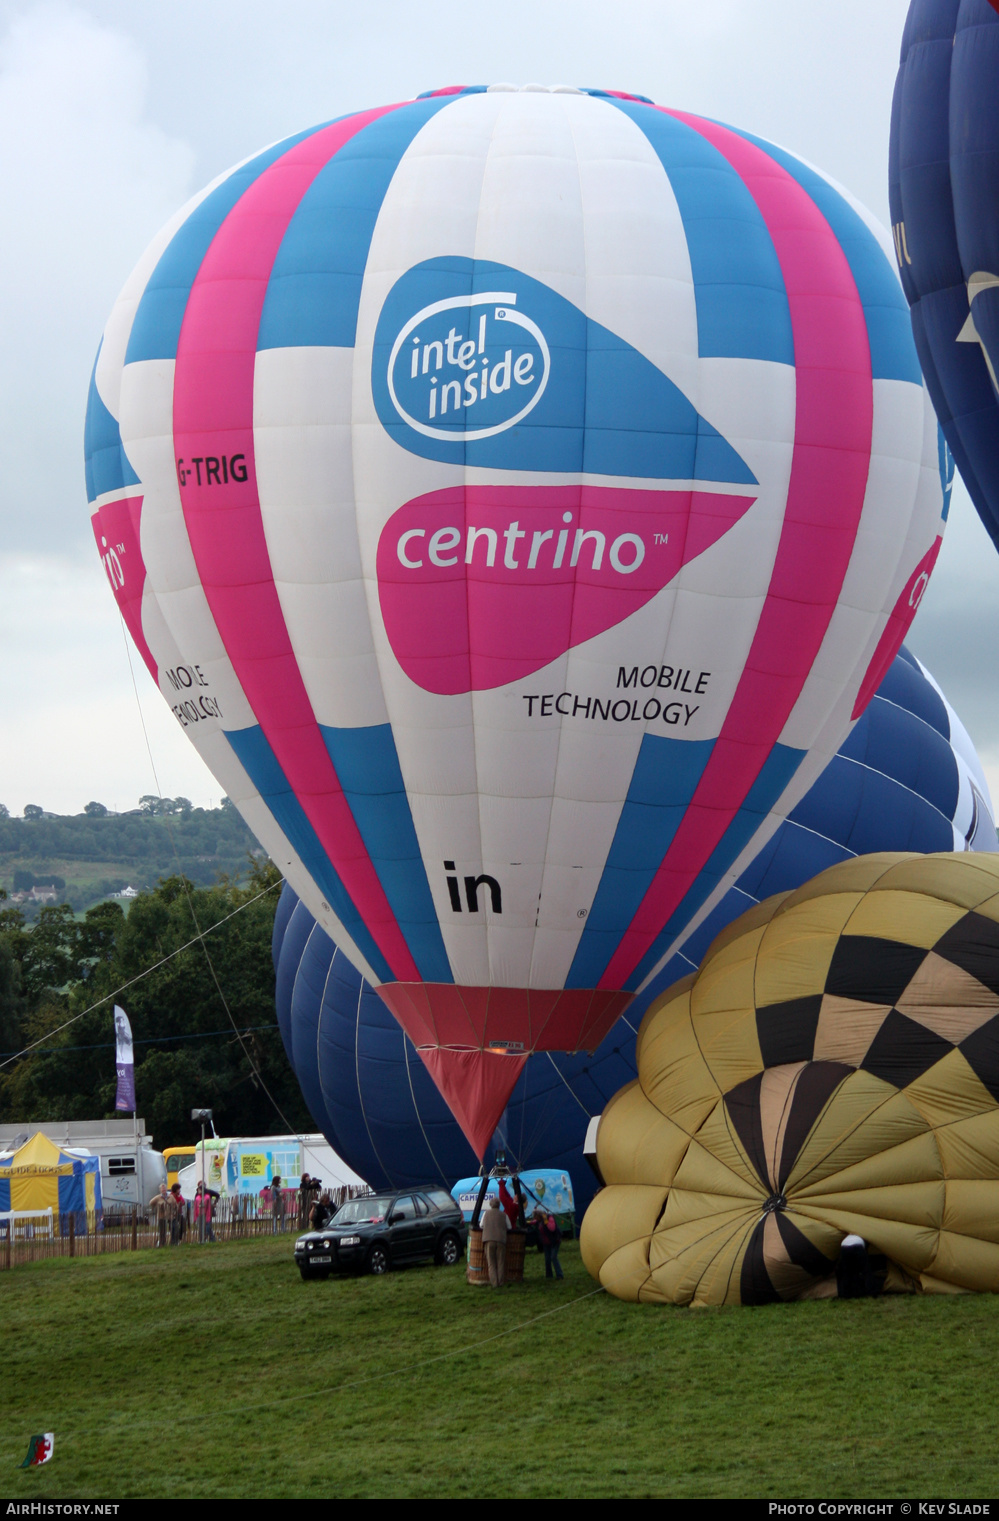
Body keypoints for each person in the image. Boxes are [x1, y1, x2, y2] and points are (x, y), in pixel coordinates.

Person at [480, 1196, 509, 1288]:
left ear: (490, 1205)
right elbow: (510, 1227)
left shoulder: (485, 1214)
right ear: (499, 1205)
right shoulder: (504, 1215)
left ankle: (494, 1283)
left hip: (488, 1240)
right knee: (500, 1263)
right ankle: (500, 1282)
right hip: (501, 1240)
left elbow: (481, 1225)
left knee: (491, 1263)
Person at [535, 1206, 564, 1281]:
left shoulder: (549, 1218)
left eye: (536, 1217)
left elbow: (552, 1228)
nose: (535, 1219)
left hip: (555, 1241)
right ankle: (549, 1275)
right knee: (547, 1259)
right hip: (546, 1242)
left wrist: (546, 1220)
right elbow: (534, 1222)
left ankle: (559, 1274)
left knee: (553, 1257)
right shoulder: (539, 1221)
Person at [148, 1184, 170, 1248]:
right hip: (161, 1216)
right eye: (162, 1189)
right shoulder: (158, 1197)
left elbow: (174, 1203)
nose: (164, 1190)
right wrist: (156, 1206)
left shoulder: (169, 1196)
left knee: (168, 1229)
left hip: (169, 1216)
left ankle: (169, 1242)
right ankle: (162, 1242)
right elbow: (151, 1203)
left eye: (164, 1189)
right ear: (160, 1190)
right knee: (162, 1230)